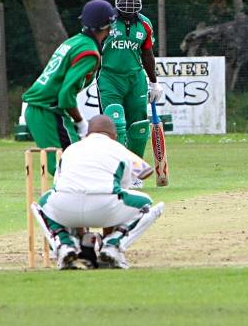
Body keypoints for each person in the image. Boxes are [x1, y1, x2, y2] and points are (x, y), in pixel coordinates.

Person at [37, 115, 165, 269]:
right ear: (115, 136)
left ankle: (65, 245)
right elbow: (144, 172)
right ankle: (113, 245)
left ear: (87, 134)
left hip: (66, 208)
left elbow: (63, 189)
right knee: (146, 204)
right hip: (104, 206)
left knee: (44, 203)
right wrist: (107, 237)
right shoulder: (119, 149)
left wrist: (83, 235)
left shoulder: (70, 150)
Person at [22, 0, 116, 175]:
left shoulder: (73, 42)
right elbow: (65, 95)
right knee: (69, 164)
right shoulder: (88, 52)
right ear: (107, 26)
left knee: (70, 162)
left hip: (43, 109)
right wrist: (81, 122)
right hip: (48, 111)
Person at [98, 0, 163, 188]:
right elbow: (93, 48)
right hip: (110, 79)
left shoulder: (145, 24)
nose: (129, 2)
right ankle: (118, 172)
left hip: (136, 80)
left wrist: (154, 83)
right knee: (116, 123)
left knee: (139, 127)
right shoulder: (105, 22)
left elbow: (147, 54)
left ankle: (134, 173)